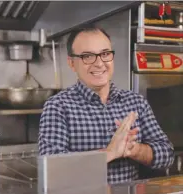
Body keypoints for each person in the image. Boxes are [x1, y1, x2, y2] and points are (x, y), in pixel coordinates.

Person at [38, 25, 174, 184]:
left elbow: (167, 154)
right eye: (88, 56)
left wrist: (133, 149)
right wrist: (108, 153)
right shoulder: (58, 106)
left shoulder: (136, 102)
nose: (99, 63)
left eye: (105, 54)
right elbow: (50, 168)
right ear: (72, 63)